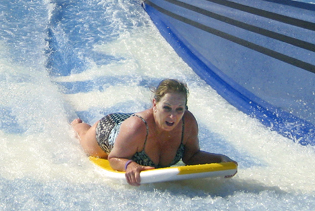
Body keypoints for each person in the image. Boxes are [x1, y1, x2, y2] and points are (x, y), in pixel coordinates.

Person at [71, 79, 236, 186]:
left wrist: (219, 159)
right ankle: (78, 125)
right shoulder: (135, 128)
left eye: (180, 109)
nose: (173, 116)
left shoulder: (188, 123)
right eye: (167, 108)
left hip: (136, 128)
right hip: (111, 130)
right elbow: (114, 158)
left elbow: (191, 157)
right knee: (84, 139)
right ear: (154, 104)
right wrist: (130, 165)